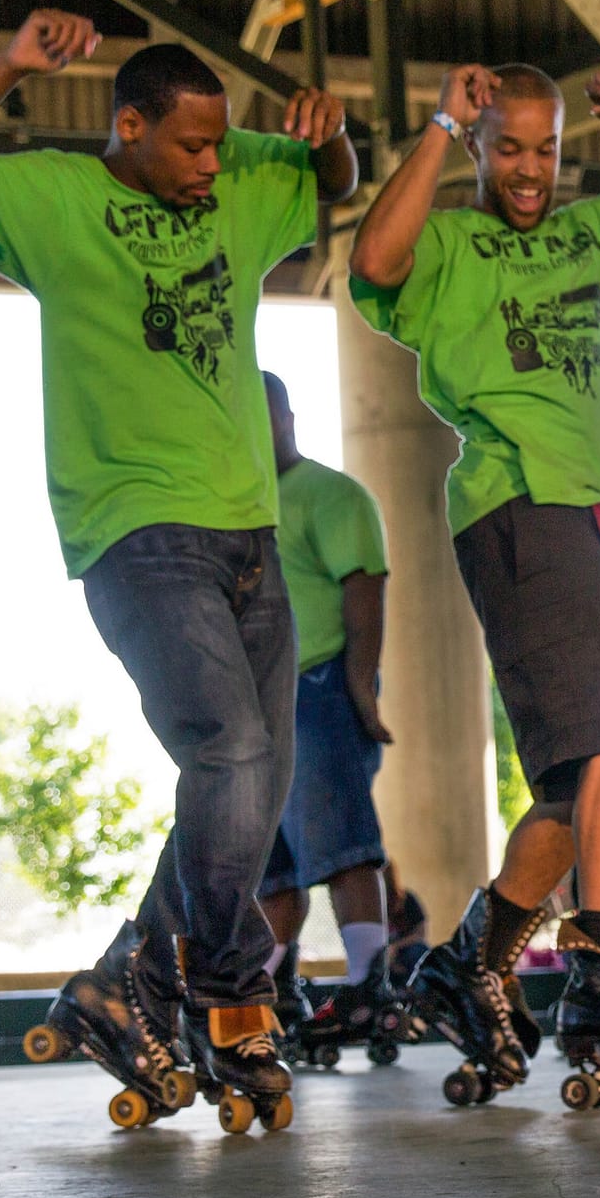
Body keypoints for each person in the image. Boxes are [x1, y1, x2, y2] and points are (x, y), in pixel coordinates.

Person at [0, 9, 358, 1121]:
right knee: (229, 747)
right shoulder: (57, 197)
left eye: (222, 143)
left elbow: (330, 186)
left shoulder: (239, 175)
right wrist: (7, 66)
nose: (214, 163)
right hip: (136, 532)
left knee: (256, 783)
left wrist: (330, 136)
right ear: (130, 125)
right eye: (192, 146)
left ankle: (126, 984)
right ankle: (228, 985)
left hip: (251, 534)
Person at [350, 55, 600, 1095]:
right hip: (517, 500)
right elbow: (376, 257)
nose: (528, 171)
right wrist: (441, 122)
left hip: (593, 511)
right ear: (483, 147)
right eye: (509, 148)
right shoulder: (448, 244)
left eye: (547, 149)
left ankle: (471, 961)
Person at [255, 370, 400, 1060]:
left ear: (286, 415)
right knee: (271, 868)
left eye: (264, 412)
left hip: (319, 688)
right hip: (258, 704)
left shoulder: (331, 494)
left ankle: (372, 986)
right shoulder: (237, 504)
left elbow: (363, 585)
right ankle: (273, 988)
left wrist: (358, 685)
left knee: (342, 844)